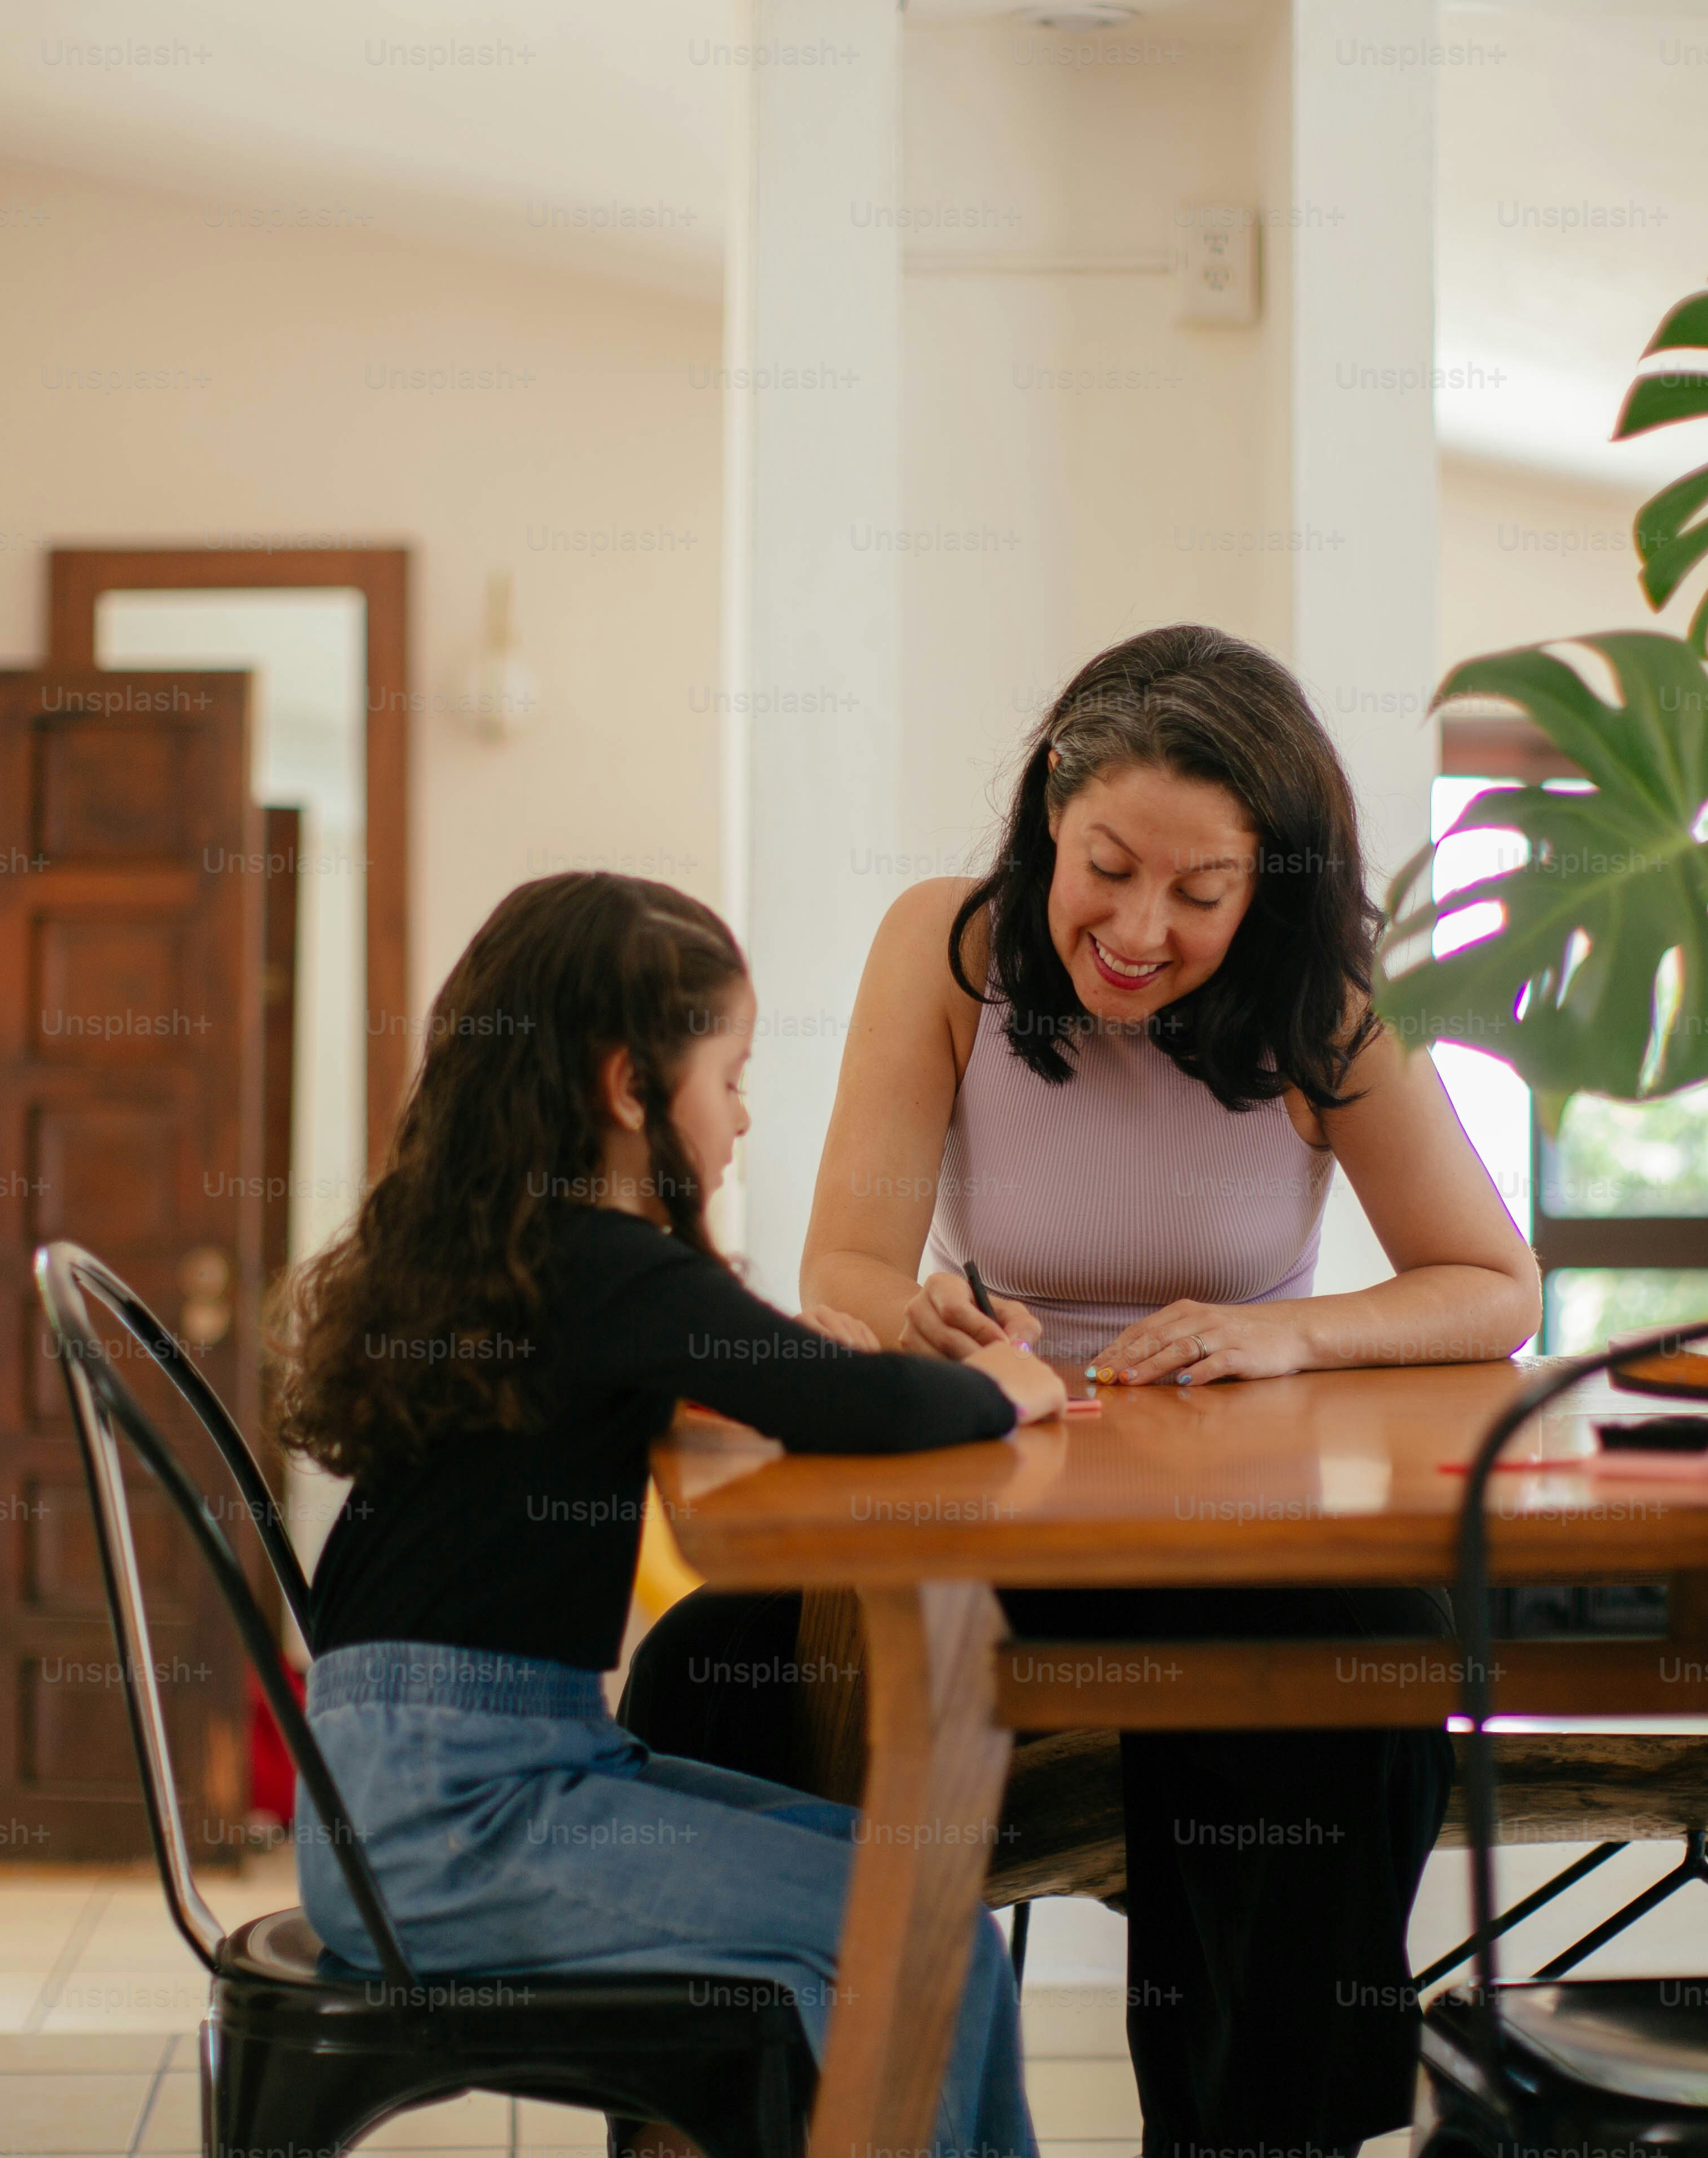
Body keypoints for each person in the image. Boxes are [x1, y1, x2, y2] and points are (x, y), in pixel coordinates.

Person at [624, 624, 1539, 2158]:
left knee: (1368, 1663)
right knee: (705, 1677)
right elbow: (841, 1267)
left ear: (1270, 886)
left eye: (1201, 893)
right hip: (1005, 1526)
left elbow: (1496, 1286)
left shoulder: (1314, 1009)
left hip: (1239, 1542)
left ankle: (1257, 2143)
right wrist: (907, 1311)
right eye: (1111, 864)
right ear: (1056, 799)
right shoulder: (950, 949)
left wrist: (1291, 1336)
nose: (1139, 926)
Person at [276, 872, 1061, 2158]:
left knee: (927, 1911)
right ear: (627, 1085)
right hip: (453, 1826)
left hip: (420, 1794)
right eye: (731, 1075)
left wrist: (786, 1371)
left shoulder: (518, 1254)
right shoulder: (601, 1259)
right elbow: (866, 1409)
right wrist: (1003, 1386)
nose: (744, 1118)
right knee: (921, 1935)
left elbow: (764, 1383)